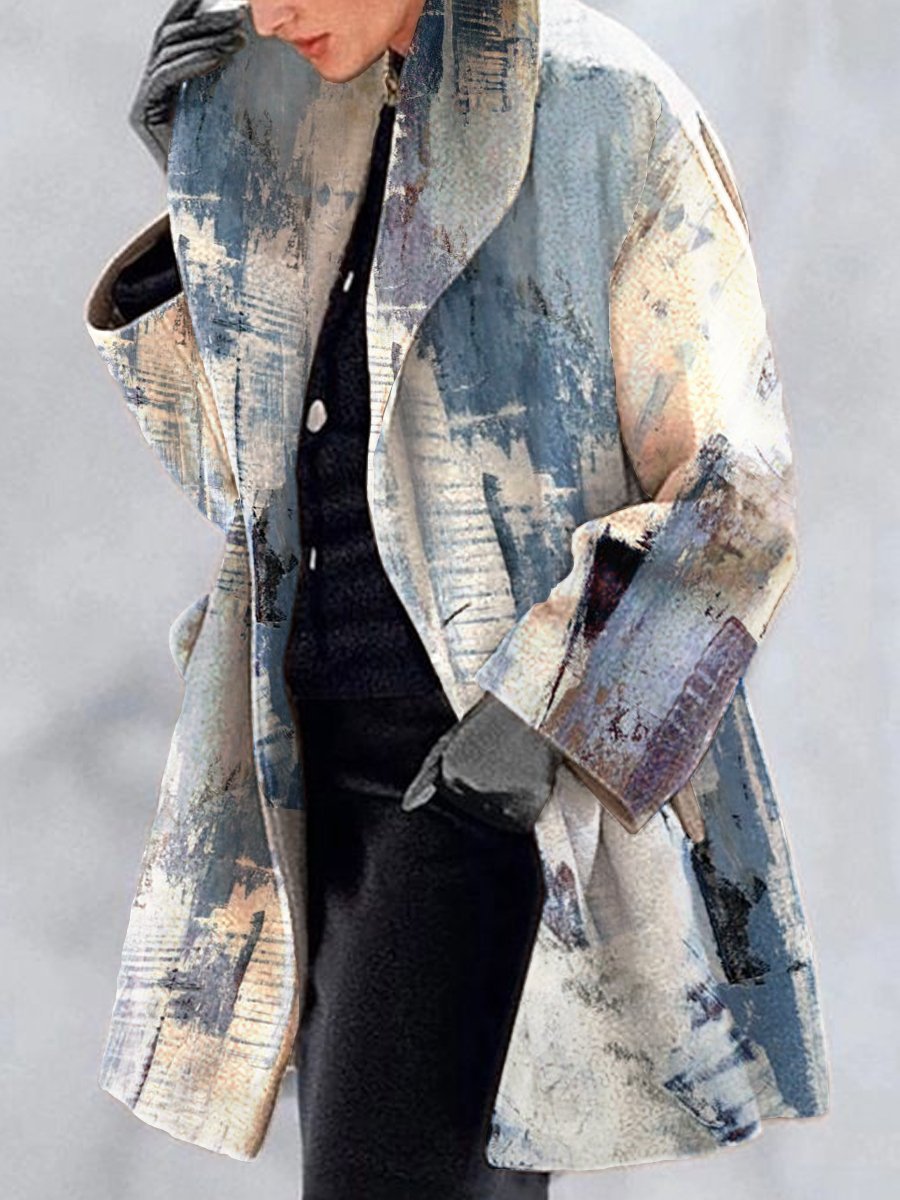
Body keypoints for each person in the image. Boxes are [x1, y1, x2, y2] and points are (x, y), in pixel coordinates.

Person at [83, 0, 829, 1192]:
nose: (269, 12)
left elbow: (740, 502)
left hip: (474, 789)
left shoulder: (603, 107)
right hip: (303, 780)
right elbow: (245, 497)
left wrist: (534, 728)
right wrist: (201, 203)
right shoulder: (299, 114)